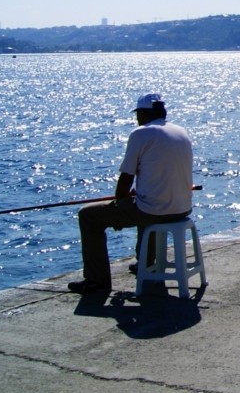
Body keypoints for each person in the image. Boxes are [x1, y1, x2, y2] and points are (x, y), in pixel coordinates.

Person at [69, 93, 195, 294]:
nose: (137, 118)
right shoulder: (182, 132)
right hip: (182, 208)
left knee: (88, 215)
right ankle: (145, 263)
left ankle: (96, 280)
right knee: (146, 204)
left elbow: (126, 177)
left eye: (138, 114)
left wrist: (120, 202)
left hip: (154, 210)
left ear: (144, 114)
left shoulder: (140, 134)